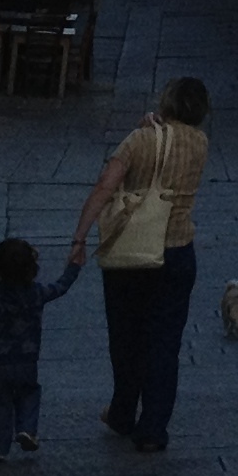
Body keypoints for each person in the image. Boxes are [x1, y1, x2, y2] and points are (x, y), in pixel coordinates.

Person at [70, 75, 211, 452]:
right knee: (165, 343)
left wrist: (80, 236)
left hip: (132, 254)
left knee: (126, 338)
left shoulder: (140, 139)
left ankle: (122, 411)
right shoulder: (200, 143)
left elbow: (105, 184)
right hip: (179, 251)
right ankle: (153, 428)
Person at [0, 235, 81, 463]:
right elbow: (60, 287)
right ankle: (26, 429)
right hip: (28, 361)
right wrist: (74, 266)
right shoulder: (36, 293)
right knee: (29, 393)